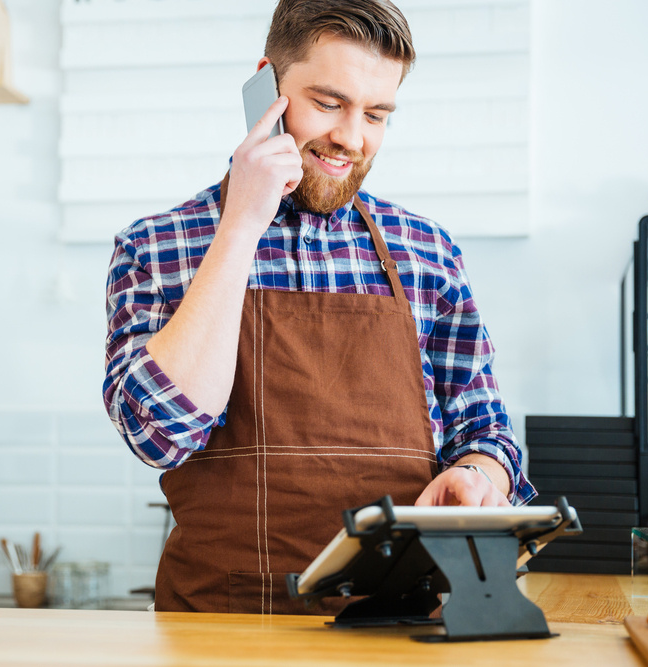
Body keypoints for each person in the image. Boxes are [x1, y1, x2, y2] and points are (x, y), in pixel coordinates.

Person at [103, 0, 536, 614]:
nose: (351, 139)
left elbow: (484, 429)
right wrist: (240, 227)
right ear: (267, 86)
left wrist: (479, 476)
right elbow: (160, 436)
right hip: (221, 632)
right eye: (328, 103)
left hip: (399, 629)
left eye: (377, 114)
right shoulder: (156, 247)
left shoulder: (427, 252)